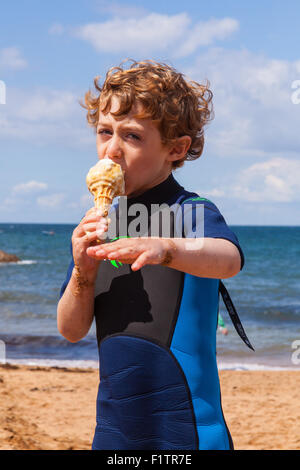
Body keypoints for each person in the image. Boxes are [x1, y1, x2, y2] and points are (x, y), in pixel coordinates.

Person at [57, 60, 245, 450]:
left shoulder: (190, 211)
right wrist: (82, 272)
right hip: (114, 432)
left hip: (189, 432)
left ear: (175, 148)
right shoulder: (101, 223)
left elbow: (228, 259)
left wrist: (166, 247)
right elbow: (71, 330)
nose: (111, 150)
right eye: (104, 132)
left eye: (132, 137)